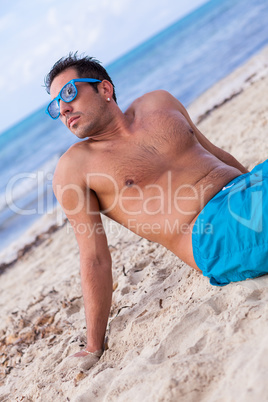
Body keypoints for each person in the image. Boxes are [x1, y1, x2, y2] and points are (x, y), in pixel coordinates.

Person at [45, 53, 267, 370]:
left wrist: (255, 184)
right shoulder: (74, 168)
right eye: (55, 106)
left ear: (104, 88)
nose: (63, 109)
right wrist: (94, 344)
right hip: (214, 231)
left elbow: (214, 153)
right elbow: (94, 256)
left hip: (250, 188)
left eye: (68, 93)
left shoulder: (159, 102)